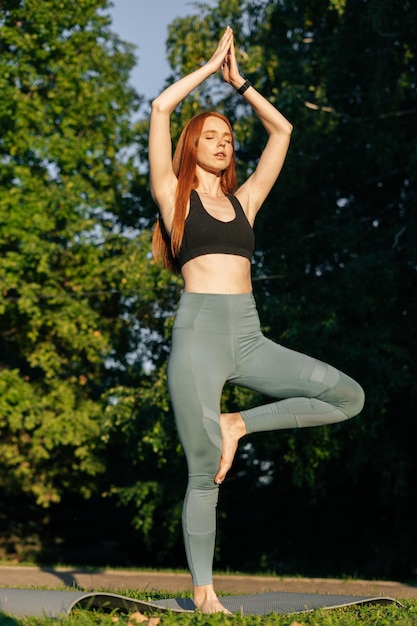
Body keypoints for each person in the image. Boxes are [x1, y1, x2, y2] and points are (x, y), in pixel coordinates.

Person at [148, 26, 365, 614]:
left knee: (348, 397)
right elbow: (161, 105)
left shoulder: (246, 201)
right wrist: (209, 64)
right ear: (191, 146)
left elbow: (284, 130)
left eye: (225, 136)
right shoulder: (174, 196)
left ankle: (238, 423)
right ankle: (204, 592)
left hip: (247, 335)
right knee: (201, 473)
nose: (221, 142)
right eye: (210, 135)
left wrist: (238, 82)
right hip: (198, 339)